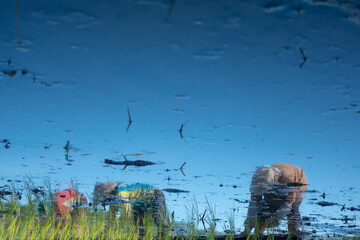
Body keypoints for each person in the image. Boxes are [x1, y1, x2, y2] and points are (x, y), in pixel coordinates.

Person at [242, 163, 308, 235]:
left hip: (298, 181)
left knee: (293, 209)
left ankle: (294, 232)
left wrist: (276, 219)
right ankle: (258, 233)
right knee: (264, 209)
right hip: (275, 184)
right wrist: (247, 229)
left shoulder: (287, 178)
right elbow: (253, 206)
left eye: (265, 190)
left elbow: (289, 202)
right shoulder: (256, 181)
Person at [93, 182, 169, 227]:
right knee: (137, 225)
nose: (103, 202)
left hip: (154, 194)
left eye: (102, 199)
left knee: (160, 221)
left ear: (107, 193)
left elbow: (127, 213)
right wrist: (107, 226)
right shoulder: (113, 199)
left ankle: (168, 236)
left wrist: (117, 224)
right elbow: (111, 215)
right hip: (139, 204)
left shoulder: (120, 193)